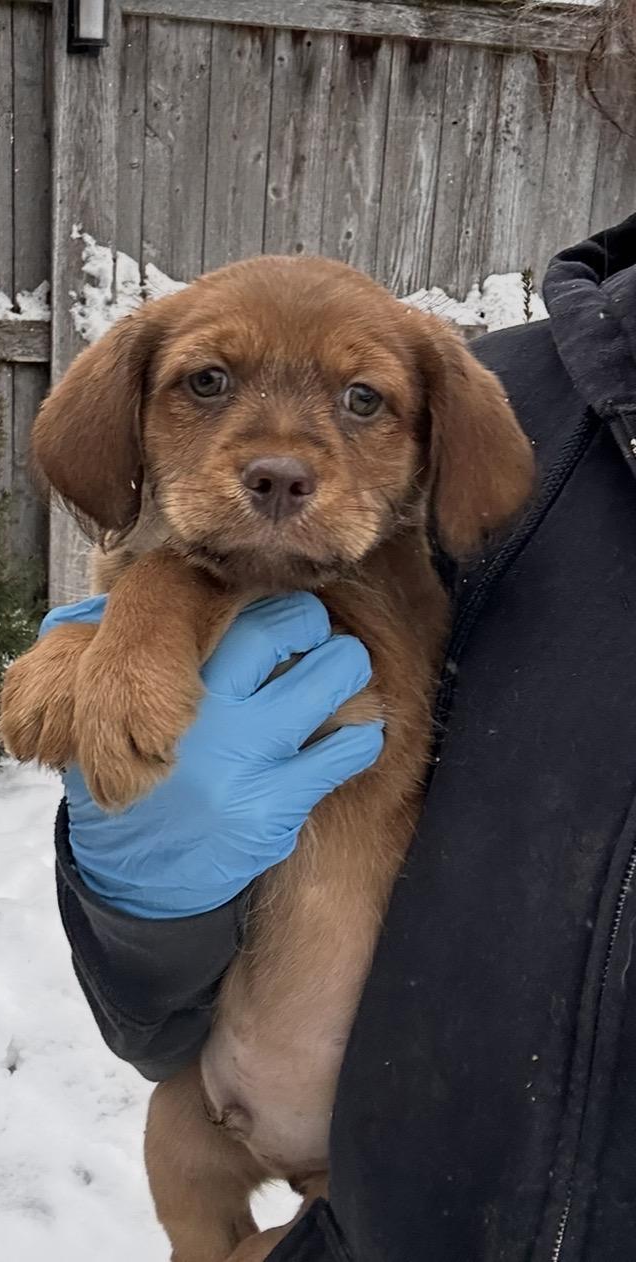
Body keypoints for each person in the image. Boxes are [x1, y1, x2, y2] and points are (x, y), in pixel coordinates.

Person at [42, 214, 636, 1260]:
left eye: (361, 402)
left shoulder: (468, 447)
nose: (280, 458)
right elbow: (149, 1019)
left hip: (386, 1177)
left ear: (417, 443)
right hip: (213, 1093)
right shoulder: (523, 397)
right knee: (183, 1160)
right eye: (206, 382)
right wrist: (135, 904)